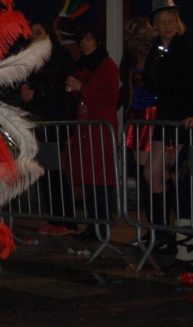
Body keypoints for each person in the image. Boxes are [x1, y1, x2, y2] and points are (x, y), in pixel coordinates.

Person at [145, 0, 193, 253]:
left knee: (180, 176)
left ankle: (183, 233)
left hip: (183, 121)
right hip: (163, 119)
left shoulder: (185, 48)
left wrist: (192, 114)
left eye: (171, 21)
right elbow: (149, 84)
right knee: (152, 173)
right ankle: (160, 231)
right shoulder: (155, 50)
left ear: (178, 23)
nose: (167, 26)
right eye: (162, 22)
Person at [21, 21, 77, 235]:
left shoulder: (60, 55)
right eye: (32, 34)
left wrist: (38, 94)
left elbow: (62, 91)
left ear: (49, 35)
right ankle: (54, 217)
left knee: (56, 170)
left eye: (39, 32)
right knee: (45, 168)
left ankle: (67, 219)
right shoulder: (32, 59)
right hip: (40, 119)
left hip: (57, 118)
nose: (35, 36)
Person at [65, 24, 119, 242]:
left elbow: (112, 98)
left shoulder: (107, 65)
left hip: (101, 130)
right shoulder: (80, 67)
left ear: (97, 42)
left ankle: (102, 225)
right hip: (85, 129)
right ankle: (92, 223)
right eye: (82, 40)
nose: (84, 44)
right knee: (88, 178)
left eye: (88, 39)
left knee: (100, 177)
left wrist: (82, 88)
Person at [122, 17, 157, 240]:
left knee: (150, 174)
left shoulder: (156, 57)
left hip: (152, 113)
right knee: (142, 173)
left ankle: (156, 225)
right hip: (137, 113)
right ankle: (151, 226)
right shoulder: (133, 58)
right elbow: (130, 88)